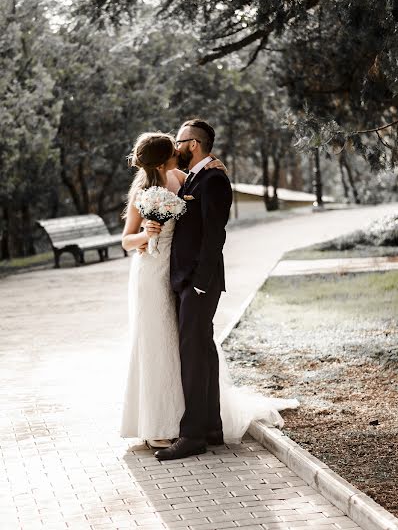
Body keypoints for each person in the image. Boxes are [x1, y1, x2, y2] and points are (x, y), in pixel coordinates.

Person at [120, 123, 298, 459]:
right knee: (172, 347)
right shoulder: (152, 187)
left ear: (193, 145)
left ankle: (192, 430)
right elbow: (128, 239)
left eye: (180, 142)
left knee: (188, 349)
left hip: (188, 277)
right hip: (159, 274)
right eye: (173, 146)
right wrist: (147, 231)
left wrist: (201, 281)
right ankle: (174, 424)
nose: (178, 148)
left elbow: (212, 230)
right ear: (163, 160)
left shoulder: (196, 178)